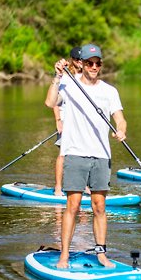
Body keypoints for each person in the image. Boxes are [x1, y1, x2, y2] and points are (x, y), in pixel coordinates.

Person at [44, 43, 127, 269]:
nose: (93, 67)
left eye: (97, 63)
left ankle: (101, 254)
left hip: (101, 155)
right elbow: (50, 102)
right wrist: (57, 76)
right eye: (89, 63)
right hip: (75, 154)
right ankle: (64, 256)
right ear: (82, 64)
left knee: (99, 206)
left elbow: (119, 117)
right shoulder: (69, 84)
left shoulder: (109, 91)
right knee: (73, 206)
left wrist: (121, 128)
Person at [53, 46, 83, 196]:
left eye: (82, 60)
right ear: (72, 60)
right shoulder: (65, 76)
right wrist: (58, 120)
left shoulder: (87, 77)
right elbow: (54, 101)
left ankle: (85, 187)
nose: (80, 62)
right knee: (63, 155)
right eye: (77, 60)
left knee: (84, 155)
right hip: (65, 120)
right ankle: (58, 187)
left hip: (80, 122)